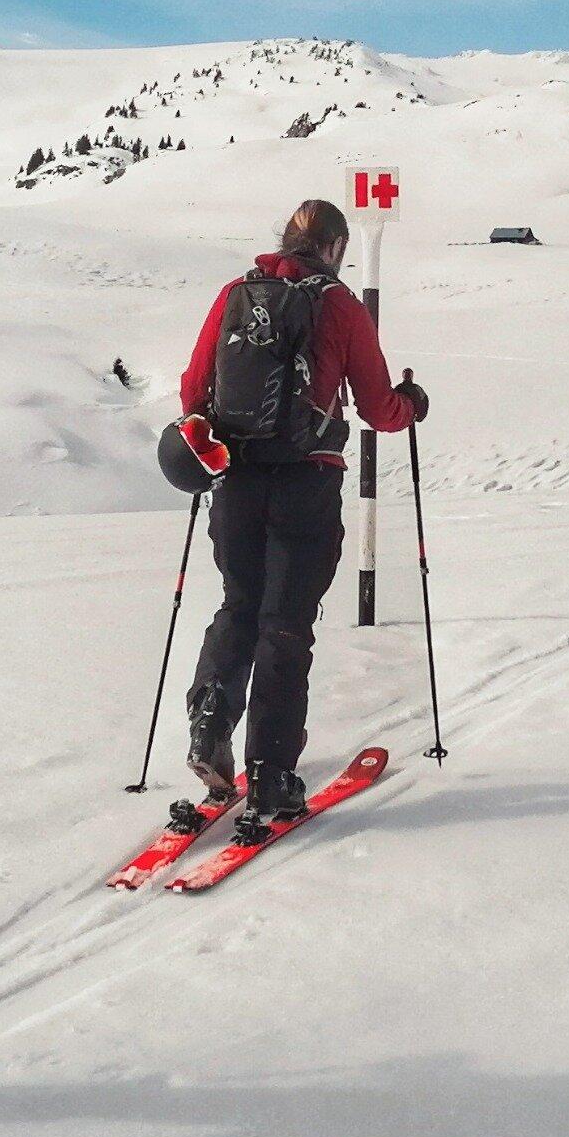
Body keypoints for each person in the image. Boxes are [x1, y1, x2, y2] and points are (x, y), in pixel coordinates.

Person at [176, 198, 426, 842]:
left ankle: (209, 724)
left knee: (239, 604)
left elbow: (194, 389)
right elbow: (378, 406)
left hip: (236, 480)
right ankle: (271, 775)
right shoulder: (340, 305)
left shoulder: (236, 293)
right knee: (286, 623)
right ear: (336, 247)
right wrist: (411, 405)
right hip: (306, 481)